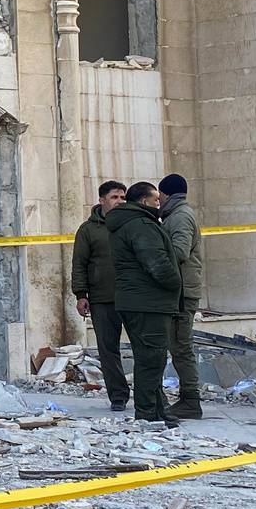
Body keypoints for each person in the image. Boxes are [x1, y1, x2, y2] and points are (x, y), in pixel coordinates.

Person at [106, 181, 184, 426]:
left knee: (151, 358)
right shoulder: (140, 224)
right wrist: (175, 283)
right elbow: (156, 263)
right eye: (155, 200)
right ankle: (148, 413)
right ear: (143, 202)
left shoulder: (131, 223)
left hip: (139, 300)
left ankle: (157, 410)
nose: (158, 204)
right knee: (151, 358)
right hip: (147, 302)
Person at [72, 180, 131, 411]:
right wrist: (80, 294)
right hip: (102, 298)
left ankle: (151, 395)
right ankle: (118, 396)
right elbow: (80, 264)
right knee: (108, 350)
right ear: (102, 200)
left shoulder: (132, 224)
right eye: (115, 197)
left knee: (143, 346)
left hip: (133, 295)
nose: (120, 201)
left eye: (123, 197)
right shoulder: (89, 230)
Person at [158, 173, 204, 420]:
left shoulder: (180, 217)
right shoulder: (177, 215)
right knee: (178, 345)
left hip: (182, 293)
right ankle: (188, 398)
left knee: (181, 346)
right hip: (181, 290)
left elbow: (179, 252)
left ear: (166, 194)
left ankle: (191, 400)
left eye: (160, 196)